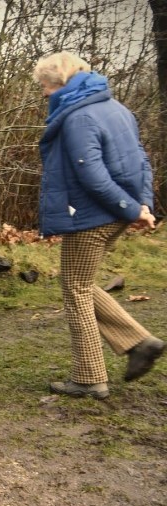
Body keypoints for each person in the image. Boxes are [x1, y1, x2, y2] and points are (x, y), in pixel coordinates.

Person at [32, 52, 163, 399]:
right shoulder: (117, 108)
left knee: (75, 288)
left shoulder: (77, 116)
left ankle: (90, 377)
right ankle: (139, 343)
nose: (43, 93)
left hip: (91, 214)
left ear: (58, 80)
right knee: (83, 284)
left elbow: (91, 174)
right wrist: (142, 204)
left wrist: (134, 208)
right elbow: (142, 159)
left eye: (43, 85)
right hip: (115, 211)